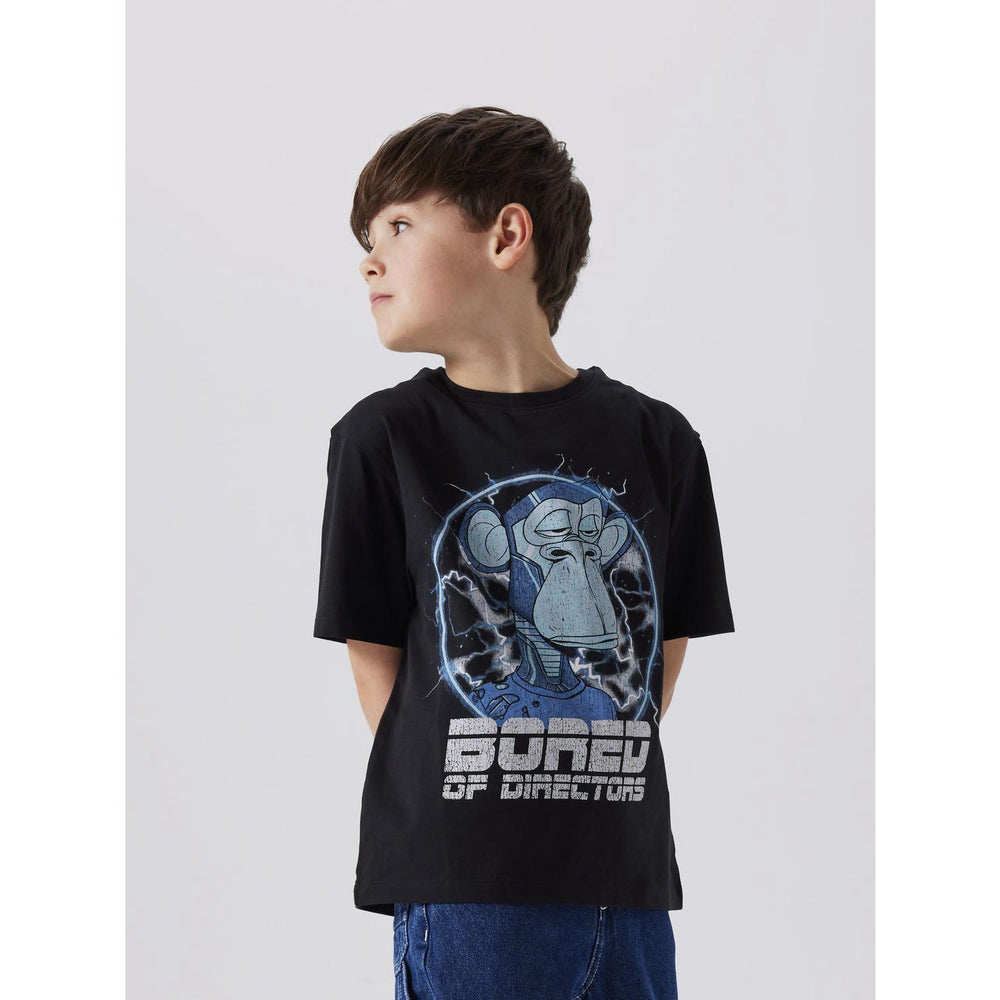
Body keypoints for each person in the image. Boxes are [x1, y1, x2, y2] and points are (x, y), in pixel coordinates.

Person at [313, 107, 735, 1000]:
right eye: (367, 241)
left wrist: (578, 745)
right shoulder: (382, 439)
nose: (369, 261)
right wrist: (486, 782)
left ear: (507, 235)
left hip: (626, 881)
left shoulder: (660, 441)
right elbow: (375, 657)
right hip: (470, 883)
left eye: (398, 226)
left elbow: (661, 640)